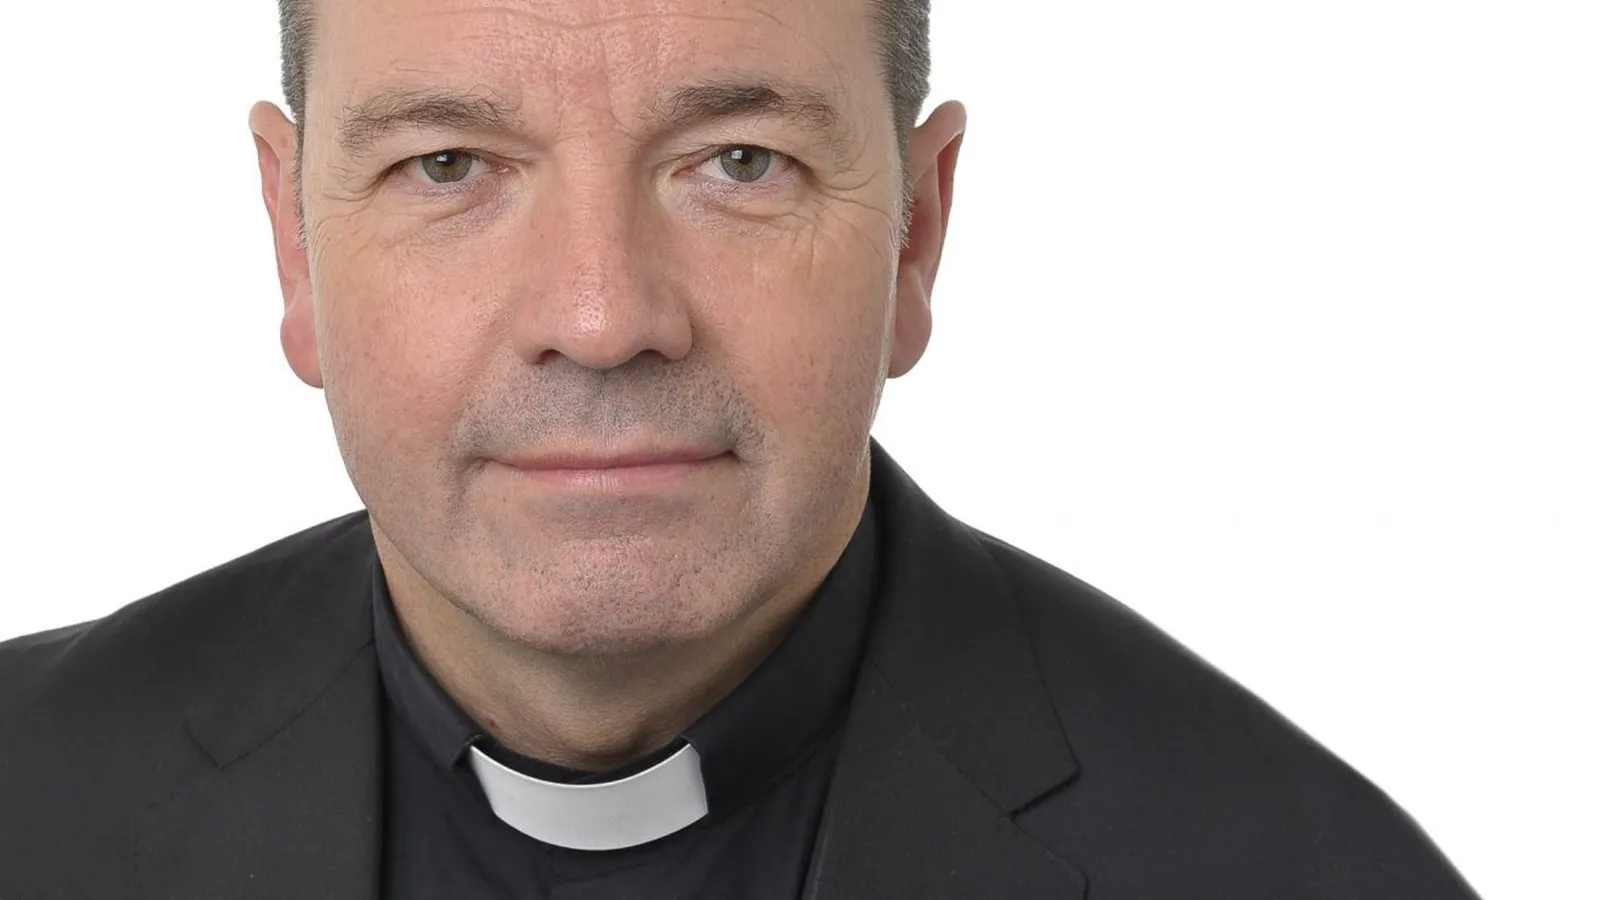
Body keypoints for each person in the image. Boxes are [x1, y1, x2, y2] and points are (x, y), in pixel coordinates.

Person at [0, 0, 1482, 896]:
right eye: (447, 165)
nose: (601, 318)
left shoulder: (1305, 873)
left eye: (739, 162)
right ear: (295, 243)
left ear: (915, 235)